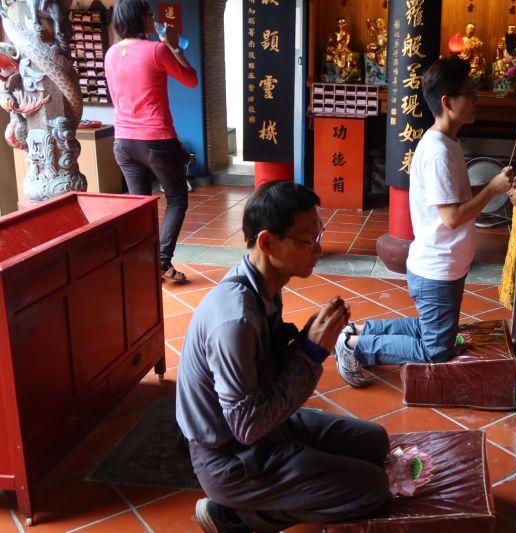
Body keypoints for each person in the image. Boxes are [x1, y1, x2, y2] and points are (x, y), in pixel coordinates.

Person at [176, 182, 391, 532]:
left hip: (272, 427)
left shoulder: (263, 285)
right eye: (308, 241)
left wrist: (306, 337)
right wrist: (311, 352)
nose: (318, 249)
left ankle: (282, 485)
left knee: (374, 440)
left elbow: (269, 375)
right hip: (231, 458)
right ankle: (237, 515)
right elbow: (247, 427)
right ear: (267, 242)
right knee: (372, 489)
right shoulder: (235, 320)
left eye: (318, 236)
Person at [333, 58, 513, 387]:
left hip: (441, 264)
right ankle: (356, 348)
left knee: (428, 330)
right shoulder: (439, 152)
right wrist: (492, 189)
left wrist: (487, 188)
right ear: (447, 102)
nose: (476, 101)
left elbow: (453, 199)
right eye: (470, 94)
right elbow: (452, 216)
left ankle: (358, 331)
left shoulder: (447, 142)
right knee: (435, 349)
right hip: (436, 268)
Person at [105, 0, 198, 283]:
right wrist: (174, 46)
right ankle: (159, 261)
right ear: (141, 19)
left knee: (140, 206)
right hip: (156, 139)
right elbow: (191, 79)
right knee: (177, 199)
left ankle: (141, 264)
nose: (153, 18)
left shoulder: (111, 54)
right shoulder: (157, 50)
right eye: (150, 15)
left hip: (123, 141)